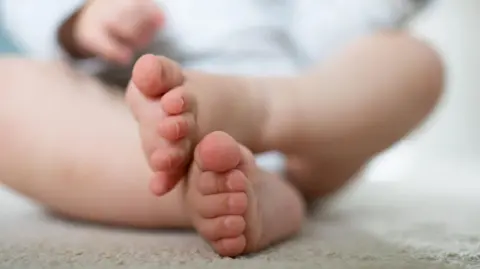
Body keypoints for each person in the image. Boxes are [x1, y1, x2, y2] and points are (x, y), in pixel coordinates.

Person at [0, 0, 442, 257]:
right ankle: (209, 191)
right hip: (127, 125)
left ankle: (259, 113)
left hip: (302, 122)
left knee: (410, 60)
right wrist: (80, 18)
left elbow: (345, 25)